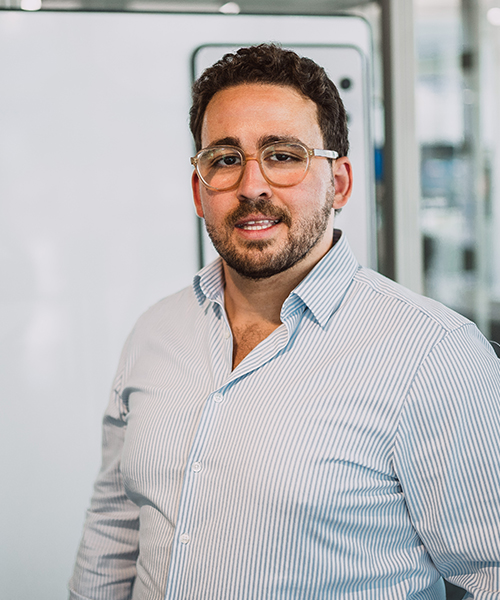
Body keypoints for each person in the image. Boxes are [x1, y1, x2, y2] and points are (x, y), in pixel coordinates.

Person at [69, 44, 500, 600]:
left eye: (283, 155)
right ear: (199, 190)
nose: (252, 186)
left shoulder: (436, 356)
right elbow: (113, 532)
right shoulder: (155, 333)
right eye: (225, 159)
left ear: (339, 183)